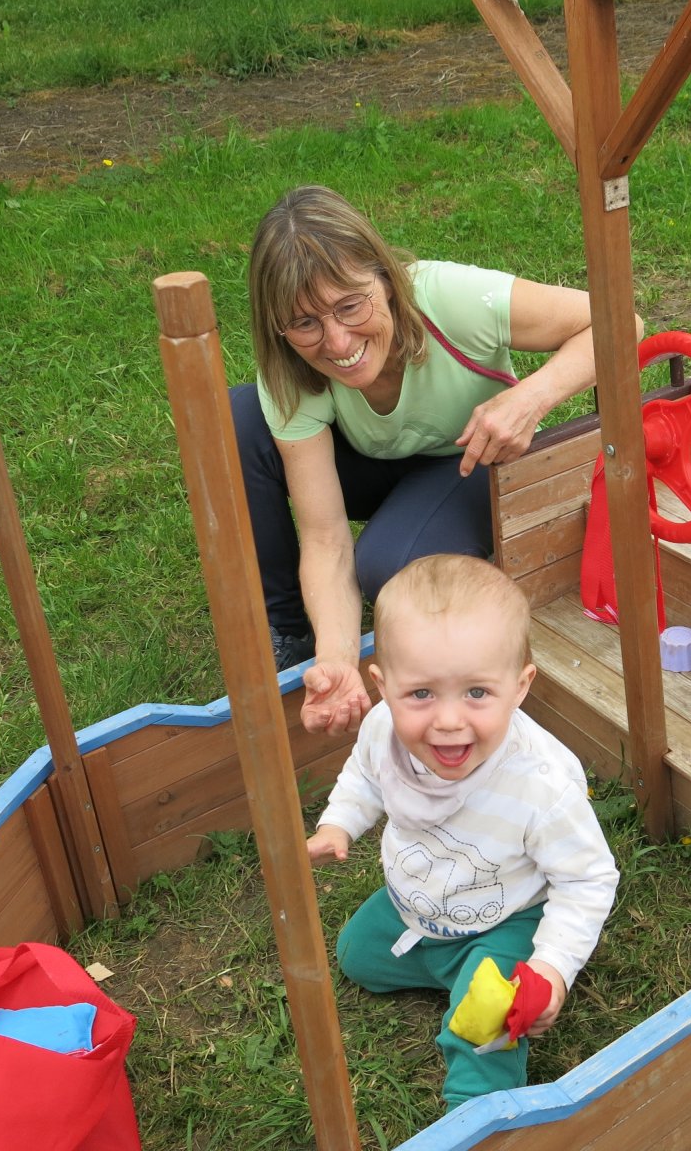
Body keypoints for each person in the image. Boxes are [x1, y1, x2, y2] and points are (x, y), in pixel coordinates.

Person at [230, 184, 634, 734]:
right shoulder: (288, 370)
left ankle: (425, 529)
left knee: (390, 570)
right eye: (305, 323)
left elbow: (617, 321)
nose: (337, 340)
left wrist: (528, 398)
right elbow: (324, 538)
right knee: (242, 416)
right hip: (373, 459)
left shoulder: (450, 298)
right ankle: (288, 630)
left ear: (386, 281)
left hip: (469, 456)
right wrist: (336, 659)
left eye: (350, 305)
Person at [306, 554, 619, 1111]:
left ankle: (476, 1117)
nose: (449, 719)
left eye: (477, 692)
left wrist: (550, 968)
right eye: (421, 694)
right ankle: (452, 972)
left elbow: (588, 880)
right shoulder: (384, 730)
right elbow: (364, 777)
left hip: (507, 918)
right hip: (420, 910)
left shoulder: (541, 786)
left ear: (521, 687)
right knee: (354, 954)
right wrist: (339, 823)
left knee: (481, 1027)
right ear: (383, 685)